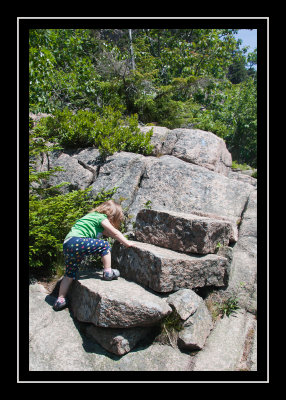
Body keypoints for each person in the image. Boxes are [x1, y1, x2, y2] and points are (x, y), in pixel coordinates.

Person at [53, 200, 134, 311]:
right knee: (104, 245)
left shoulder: (92, 217)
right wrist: (126, 242)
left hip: (68, 243)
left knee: (69, 274)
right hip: (78, 241)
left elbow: (107, 232)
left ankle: (60, 300)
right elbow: (113, 232)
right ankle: (108, 272)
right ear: (110, 216)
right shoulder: (101, 217)